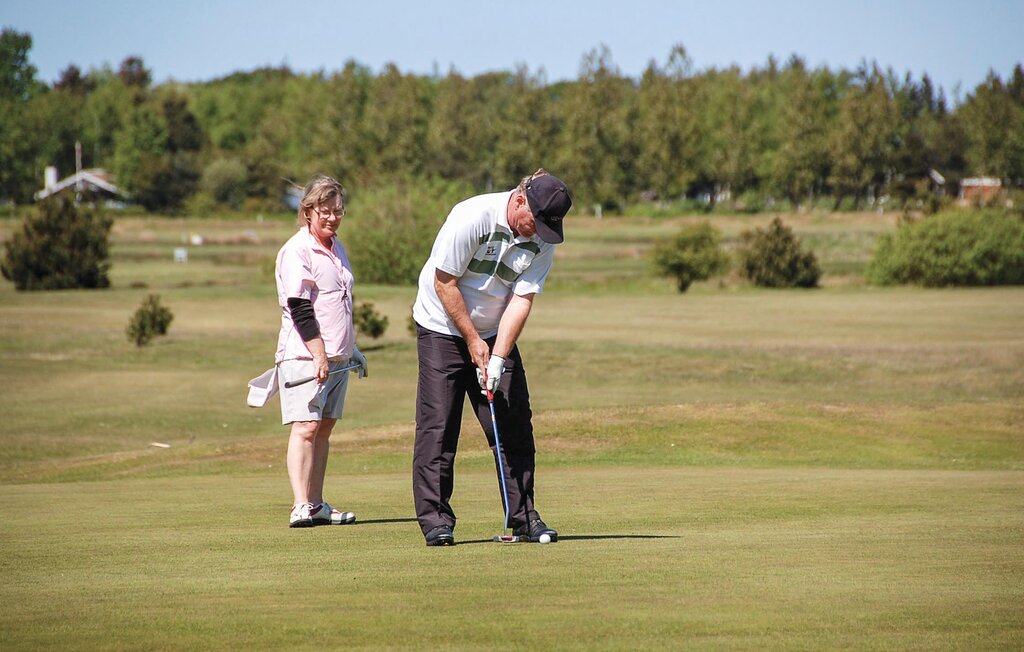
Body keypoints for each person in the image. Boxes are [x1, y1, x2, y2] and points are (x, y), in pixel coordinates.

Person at [411, 168, 572, 546]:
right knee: (439, 426)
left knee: (514, 422)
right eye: (535, 222)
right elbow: (444, 282)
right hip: (441, 327)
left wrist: (498, 356)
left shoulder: (543, 238)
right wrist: (471, 340)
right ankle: (436, 521)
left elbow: (522, 299)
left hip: (494, 332)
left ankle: (524, 517)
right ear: (519, 201)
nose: (539, 233)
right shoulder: (471, 216)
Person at [273, 174, 368, 528]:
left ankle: (316, 503)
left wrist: (352, 348)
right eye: (326, 211)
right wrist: (318, 354)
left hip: (337, 357)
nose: (332, 218)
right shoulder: (297, 251)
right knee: (306, 427)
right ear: (308, 211)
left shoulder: (336, 247)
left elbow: (338, 303)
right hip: (305, 355)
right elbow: (300, 307)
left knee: (324, 427)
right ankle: (300, 505)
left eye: (338, 211)